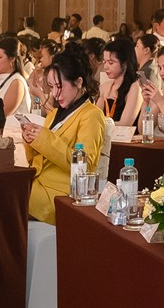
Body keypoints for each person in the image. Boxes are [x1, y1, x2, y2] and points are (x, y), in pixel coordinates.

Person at [18, 48, 108, 224]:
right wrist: (31, 141)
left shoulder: (92, 114)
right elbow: (37, 160)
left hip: (62, 193)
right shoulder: (53, 114)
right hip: (37, 184)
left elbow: (86, 166)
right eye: (51, 87)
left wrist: (44, 139)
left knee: (3, 199)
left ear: (79, 82)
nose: (54, 94)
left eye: (59, 86)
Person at [99, 41, 142, 126]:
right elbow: (96, 116)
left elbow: (125, 124)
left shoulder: (134, 87)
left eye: (111, 63)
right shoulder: (105, 86)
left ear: (125, 64)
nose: (106, 67)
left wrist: (99, 125)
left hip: (124, 134)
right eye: (104, 62)